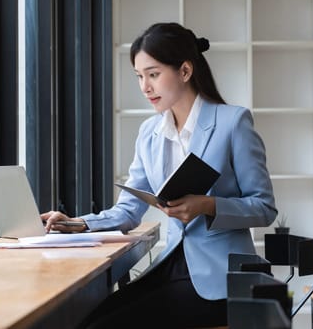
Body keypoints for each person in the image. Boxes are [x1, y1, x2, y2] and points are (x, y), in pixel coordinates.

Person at [41, 22, 277, 328]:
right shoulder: (149, 133)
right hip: (172, 267)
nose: (145, 87)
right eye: (139, 76)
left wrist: (207, 205)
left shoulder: (232, 122)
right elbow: (128, 210)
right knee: (84, 319)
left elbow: (264, 207)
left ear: (185, 71)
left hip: (224, 281)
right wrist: (77, 223)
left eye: (153, 74)